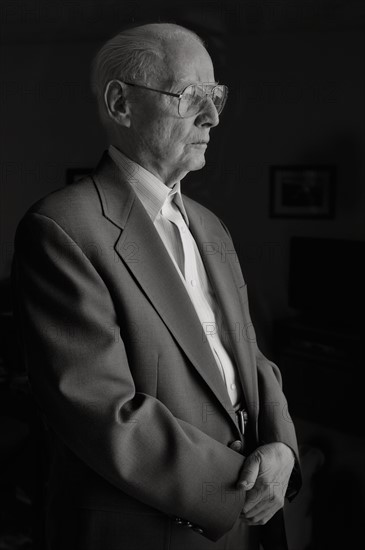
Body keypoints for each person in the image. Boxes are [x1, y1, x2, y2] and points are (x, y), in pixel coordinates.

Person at [12, 22, 301, 550]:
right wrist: (241, 485)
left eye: (216, 97)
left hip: (252, 519)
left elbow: (250, 359)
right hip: (146, 529)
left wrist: (282, 448)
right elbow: (103, 412)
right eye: (192, 97)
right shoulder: (62, 228)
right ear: (121, 103)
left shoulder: (211, 225)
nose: (212, 117)